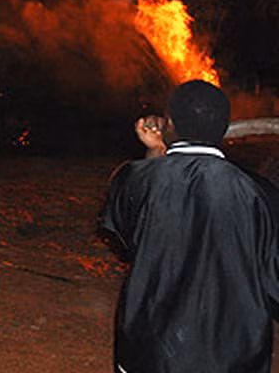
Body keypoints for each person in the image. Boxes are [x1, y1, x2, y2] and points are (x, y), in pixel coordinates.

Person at [101, 79, 279, 373]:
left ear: (169, 123)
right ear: (224, 129)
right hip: (233, 359)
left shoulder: (132, 179)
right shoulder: (261, 194)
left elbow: (130, 233)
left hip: (151, 355)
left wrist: (156, 151)